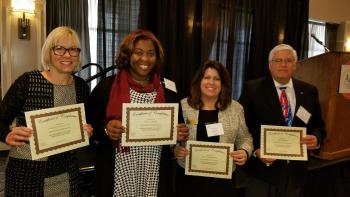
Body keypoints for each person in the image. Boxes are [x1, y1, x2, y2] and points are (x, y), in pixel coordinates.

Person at [86, 29, 189, 197]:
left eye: (151, 54)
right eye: (138, 53)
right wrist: (105, 129)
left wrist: (179, 135)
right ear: (128, 55)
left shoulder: (168, 92)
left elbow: (177, 130)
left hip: (153, 173)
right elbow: (88, 127)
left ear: (156, 58)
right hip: (118, 173)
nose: (145, 59)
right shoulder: (106, 87)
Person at [0, 26, 93, 196]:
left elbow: (86, 122)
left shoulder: (81, 87)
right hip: (26, 173)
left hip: (66, 172)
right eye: (59, 49)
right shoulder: (27, 82)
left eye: (73, 49)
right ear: (49, 52)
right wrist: (6, 134)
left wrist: (87, 129)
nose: (67, 55)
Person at [238, 44, 326, 197]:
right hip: (263, 172)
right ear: (270, 65)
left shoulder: (310, 91)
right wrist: (256, 150)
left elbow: (319, 126)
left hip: (296, 174)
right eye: (278, 60)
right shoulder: (252, 89)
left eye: (288, 60)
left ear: (295, 65)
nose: (283, 64)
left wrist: (316, 139)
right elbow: (241, 127)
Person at [174, 60, 253, 196]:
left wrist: (245, 151)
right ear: (199, 80)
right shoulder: (184, 106)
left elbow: (245, 138)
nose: (211, 82)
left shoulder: (235, 108)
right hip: (189, 180)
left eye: (217, 78)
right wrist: (175, 149)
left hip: (223, 182)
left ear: (223, 83)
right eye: (207, 77)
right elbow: (173, 136)